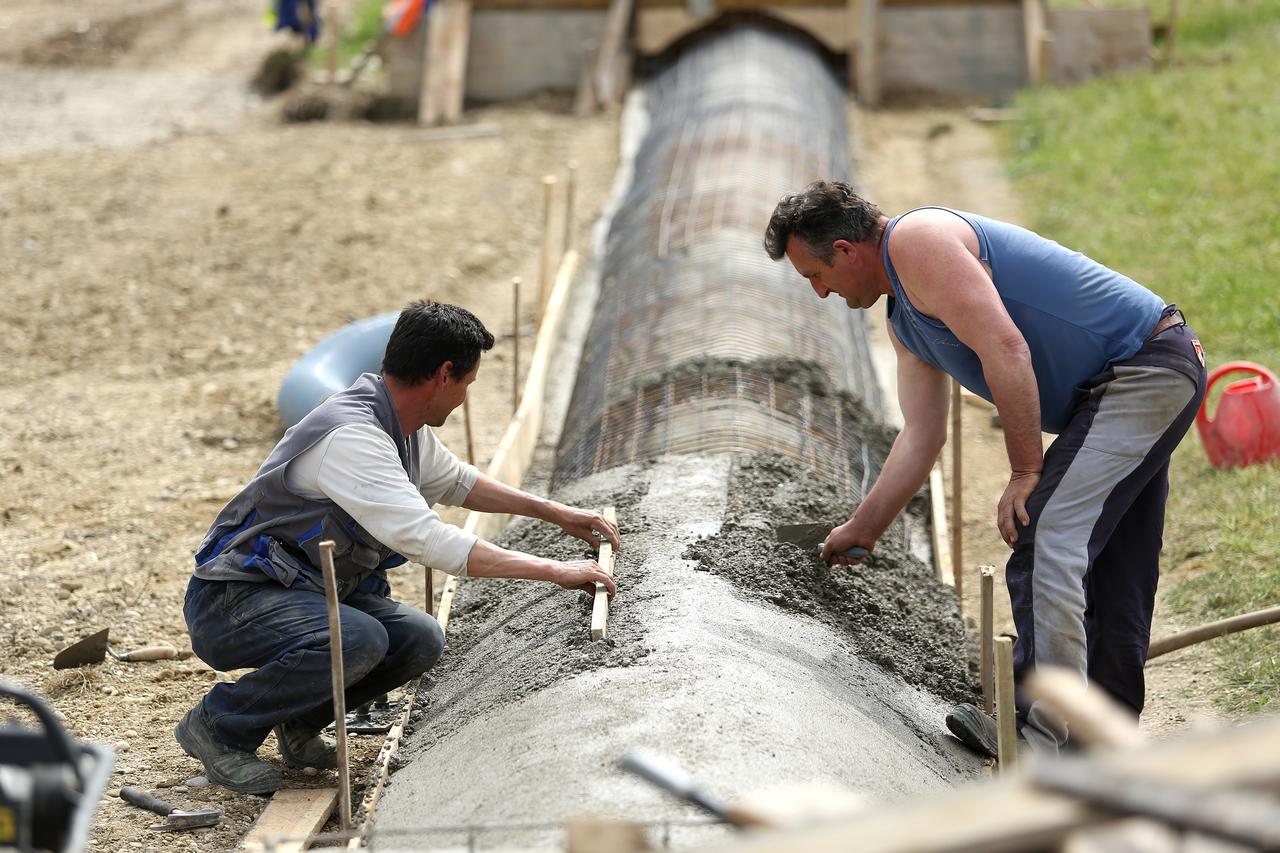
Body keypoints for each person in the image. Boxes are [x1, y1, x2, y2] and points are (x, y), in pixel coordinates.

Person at [763, 181, 1207, 756]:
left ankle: (1040, 736)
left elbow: (1006, 348)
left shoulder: (917, 242)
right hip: (1129, 387)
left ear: (846, 250)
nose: (820, 293)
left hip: (1141, 370)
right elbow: (924, 434)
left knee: (1046, 533)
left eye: (815, 276)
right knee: (1114, 564)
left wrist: (1026, 472)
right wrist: (863, 529)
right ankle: (1106, 744)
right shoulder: (905, 320)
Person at [175, 300, 620, 794]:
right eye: (468, 385)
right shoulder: (354, 437)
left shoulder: (400, 426)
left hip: (306, 591)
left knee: (419, 638)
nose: (464, 400)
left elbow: (458, 483)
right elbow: (428, 539)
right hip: (236, 600)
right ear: (444, 374)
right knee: (359, 638)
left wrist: (558, 513)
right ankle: (218, 726)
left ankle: (298, 718)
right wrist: (555, 571)